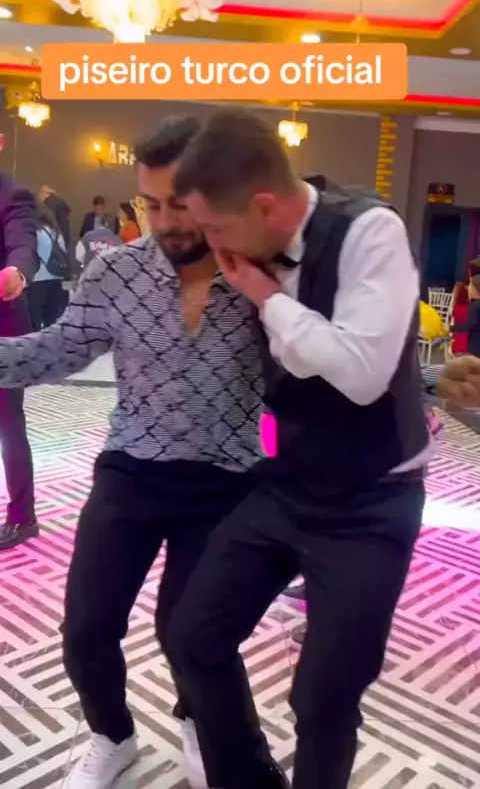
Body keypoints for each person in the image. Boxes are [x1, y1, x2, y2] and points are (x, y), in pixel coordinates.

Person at [0, 116, 285, 789]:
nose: (163, 222)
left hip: (224, 480)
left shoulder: (259, 277)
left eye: (178, 204)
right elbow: (57, 350)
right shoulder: (116, 273)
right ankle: (112, 733)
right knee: (86, 626)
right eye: (149, 204)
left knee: (189, 631)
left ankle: (197, 717)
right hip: (132, 468)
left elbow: (313, 367)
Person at [162, 107, 434, 789]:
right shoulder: (248, 243)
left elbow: (363, 376)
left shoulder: (370, 230)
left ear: (263, 205)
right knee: (193, 637)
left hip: (374, 499)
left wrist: (264, 294)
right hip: (286, 483)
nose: (213, 246)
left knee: (324, 697)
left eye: (217, 229)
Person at [0, 174, 39, 551]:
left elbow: (23, 244)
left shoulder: (13, 195)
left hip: (4, 323)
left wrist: (17, 271)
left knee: (8, 422)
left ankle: (22, 516)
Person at [26, 202, 69, 331]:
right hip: (56, 277)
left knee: (34, 316)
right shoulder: (57, 233)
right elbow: (64, 252)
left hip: (38, 279)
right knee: (51, 316)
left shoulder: (37, 233)